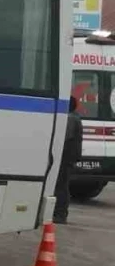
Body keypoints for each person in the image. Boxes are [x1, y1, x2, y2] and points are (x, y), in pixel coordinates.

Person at [55, 95, 83, 225]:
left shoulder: (70, 118)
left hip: (66, 157)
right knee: (62, 184)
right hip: (69, 156)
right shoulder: (74, 117)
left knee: (61, 185)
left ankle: (60, 214)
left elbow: (63, 137)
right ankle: (60, 212)